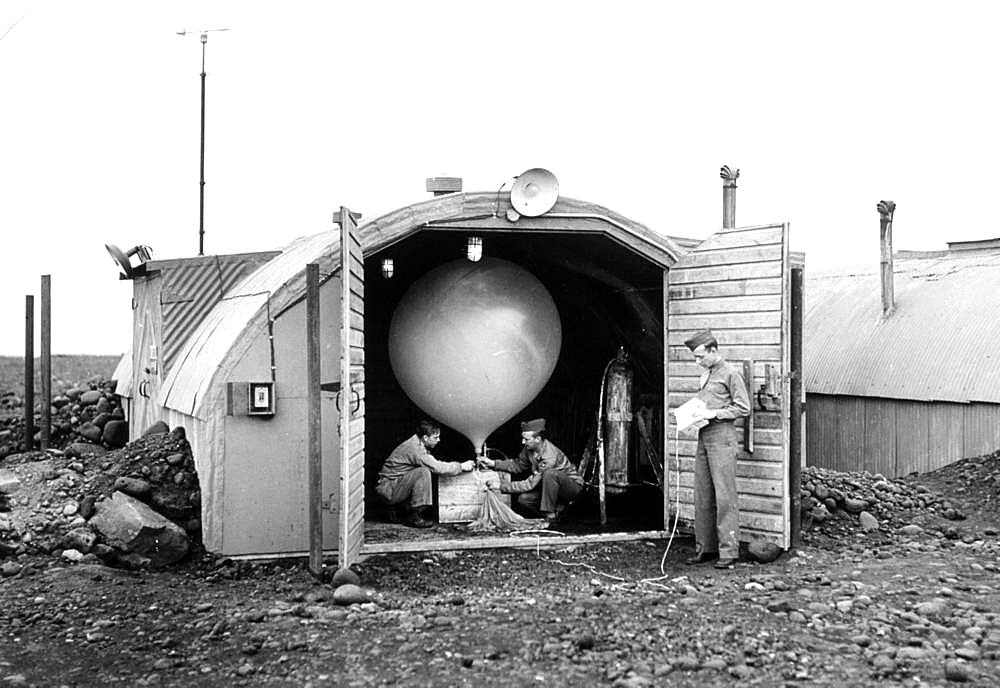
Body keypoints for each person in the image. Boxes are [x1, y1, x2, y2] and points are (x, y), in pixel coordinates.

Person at [682, 329, 751, 569]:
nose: (697, 361)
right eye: (695, 358)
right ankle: (706, 548)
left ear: (713, 350)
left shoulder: (730, 374)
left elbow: (744, 407)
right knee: (702, 494)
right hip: (703, 435)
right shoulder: (707, 374)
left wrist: (715, 414)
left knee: (724, 495)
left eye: (700, 356)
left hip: (722, 437)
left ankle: (729, 551)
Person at [478, 418, 583, 522]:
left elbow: (530, 484)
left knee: (550, 474)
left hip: (571, 488)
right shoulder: (529, 449)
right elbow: (517, 465)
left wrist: (501, 486)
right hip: (551, 491)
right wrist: (493, 463)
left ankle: (550, 516)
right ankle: (558, 514)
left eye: (527, 439)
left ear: (537, 439)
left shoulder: (550, 456)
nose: (523, 442)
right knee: (524, 499)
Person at [376, 420, 474, 528]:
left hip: (392, 486)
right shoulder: (416, 449)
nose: (439, 440)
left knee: (421, 470)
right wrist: (461, 466)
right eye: (435, 437)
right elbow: (438, 467)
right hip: (389, 490)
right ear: (425, 438)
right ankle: (414, 516)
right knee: (423, 472)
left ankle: (397, 509)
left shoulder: (416, 442)